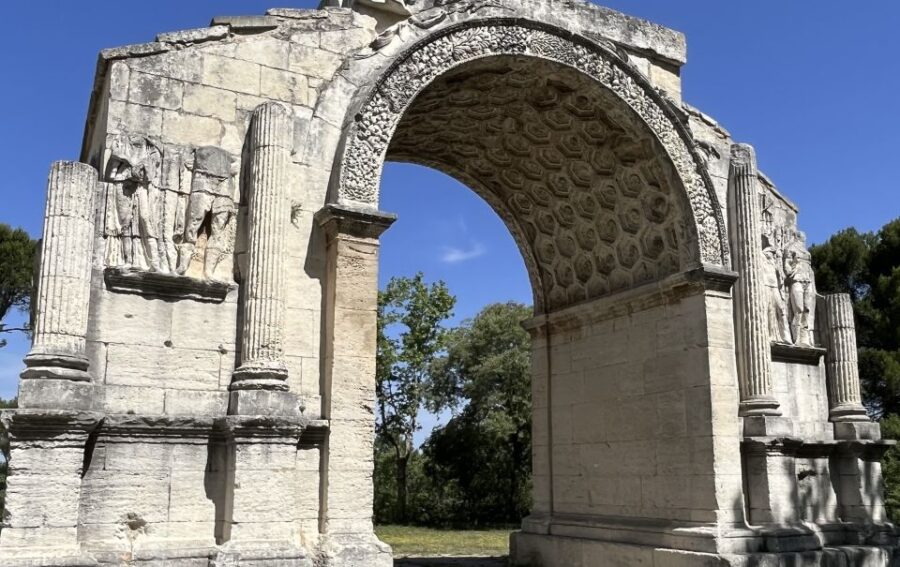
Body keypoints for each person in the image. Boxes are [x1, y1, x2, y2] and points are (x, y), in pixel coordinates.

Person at [176, 146, 236, 281]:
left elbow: (235, 167)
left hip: (225, 182)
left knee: (219, 228)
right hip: (202, 178)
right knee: (193, 222)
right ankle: (183, 265)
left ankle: (209, 271)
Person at [783, 230, 817, 345]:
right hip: (796, 280)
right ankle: (796, 337)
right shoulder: (790, 249)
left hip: (808, 282)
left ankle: (805, 337)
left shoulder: (807, 253)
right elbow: (786, 267)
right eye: (802, 238)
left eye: (804, 239)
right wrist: (793, 266)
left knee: (807, 309)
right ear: (797, 238)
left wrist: (814, 287)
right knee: (798, 309)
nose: (804, 240)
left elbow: (810, 271)